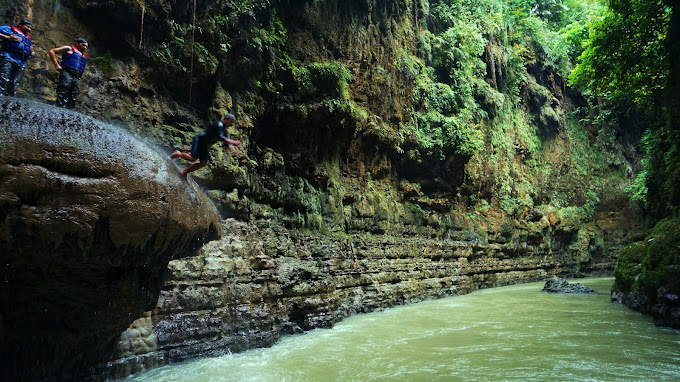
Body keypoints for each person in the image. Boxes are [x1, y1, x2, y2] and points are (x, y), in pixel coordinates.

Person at [171, 114, 243, 179]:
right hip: (199, 140)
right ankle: (179, 154)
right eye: (231, 121)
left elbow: (227, 144)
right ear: (226, 119)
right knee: (192, 158)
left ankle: (184, 172)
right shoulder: (219, 124)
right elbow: (221, 137)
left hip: (205, 145)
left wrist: (233, 151)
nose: (231, 124)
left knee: (203, 163)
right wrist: (234, 142)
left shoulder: (224, 130)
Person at [48, 38, 89, 108]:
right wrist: (56, 65)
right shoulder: (69, 48)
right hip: (67, 72)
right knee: (63, 90)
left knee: (74, 94)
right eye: (83, 45)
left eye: (86, 46)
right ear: (77, 43)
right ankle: (58, 107)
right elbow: (52, 51)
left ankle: (69, 112)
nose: (85, 47)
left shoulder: (83, 55)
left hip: (77, 77)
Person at [0, 19, 34, 96]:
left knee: (15, 82)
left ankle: (9, 101)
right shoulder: (10, 29)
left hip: (21, 62)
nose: (29, 29)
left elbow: (31, 51)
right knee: (3, 77)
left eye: (31, 28)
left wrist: (32, 52)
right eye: (27, 26)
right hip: (8, 57)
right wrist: (7, 37)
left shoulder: (27, 38)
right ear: (20, 25)